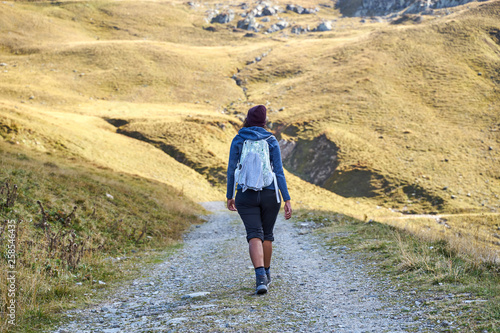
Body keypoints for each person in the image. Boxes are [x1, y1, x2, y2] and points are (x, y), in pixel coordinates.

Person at [226, 104, 292, 295]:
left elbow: (231, 170)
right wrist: (286, 198)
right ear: (264, 121)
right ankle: (267, 273)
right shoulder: (271, 140)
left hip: (245, 194)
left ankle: (260, 277)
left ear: (247, 119)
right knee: (267, 235)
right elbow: (278, 171)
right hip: (270, 193)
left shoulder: (238, 139)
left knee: (254, 234)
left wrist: (230, 195)